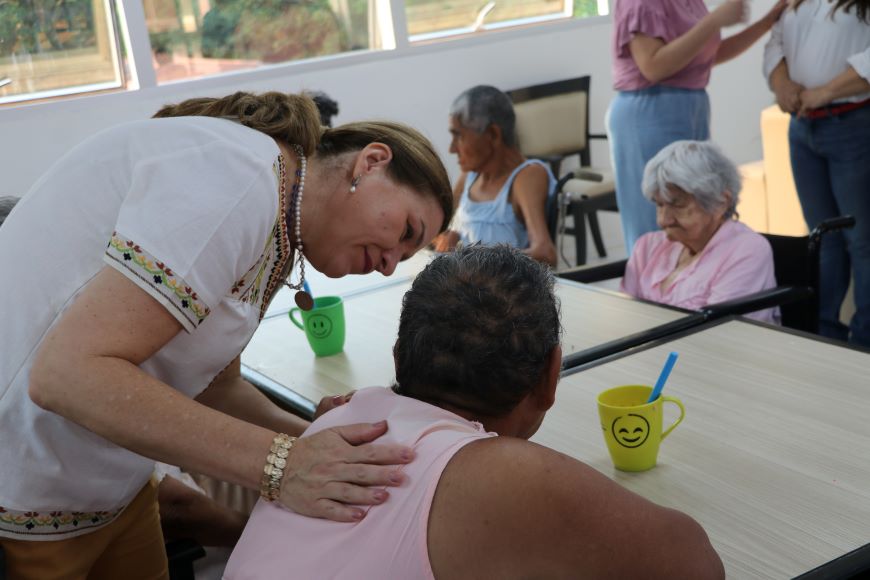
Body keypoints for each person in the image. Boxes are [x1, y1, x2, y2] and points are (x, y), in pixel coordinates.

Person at [0, 91, 453, 579]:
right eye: (406, 231)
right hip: (27, 495)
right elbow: (65, 376)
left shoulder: (280, 222)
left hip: (117, 491)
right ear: (372, 161)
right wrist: (283, 465)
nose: (389, 264)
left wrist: (329, 446)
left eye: (404, 260)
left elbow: (217, 388)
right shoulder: (238, 177)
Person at [224, 245, 724, 579]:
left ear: (398, 357)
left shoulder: (343, 418)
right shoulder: (506, 473)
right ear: (552, 375)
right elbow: (699, 565)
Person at [608, 0, 789, 252]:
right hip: (651, 109)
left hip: (689, 105)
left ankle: (694, 282)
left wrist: (767, 22)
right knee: (660, 217)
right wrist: (714, 21)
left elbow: (707, 54)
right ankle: (653, 287)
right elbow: (653, 66)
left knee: (697, 213)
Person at [763, 0, 870, 347]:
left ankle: (864, 341)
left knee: (862, 241)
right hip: (803, 127)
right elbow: (775, 42)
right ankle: (823, 335)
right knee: (822, 238)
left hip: (852, 122)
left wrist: (824, 92)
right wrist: (783, 86)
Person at [620, 140, 779, 323]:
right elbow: (624, 318)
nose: (663, 220)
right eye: (659, 204)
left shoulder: (747, 251)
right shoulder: (647, 247)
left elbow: (720, 334)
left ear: (720, 202)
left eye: (677, 204)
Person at [434, 85, 557, 266]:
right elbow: (442, 223)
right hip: (468, 284)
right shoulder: (470, 175)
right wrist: (450, 233)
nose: (452, 149)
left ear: (492, 134)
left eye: (459, 136)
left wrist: (476, 260)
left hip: (505, 290)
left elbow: (545, 253)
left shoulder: (526, 176)